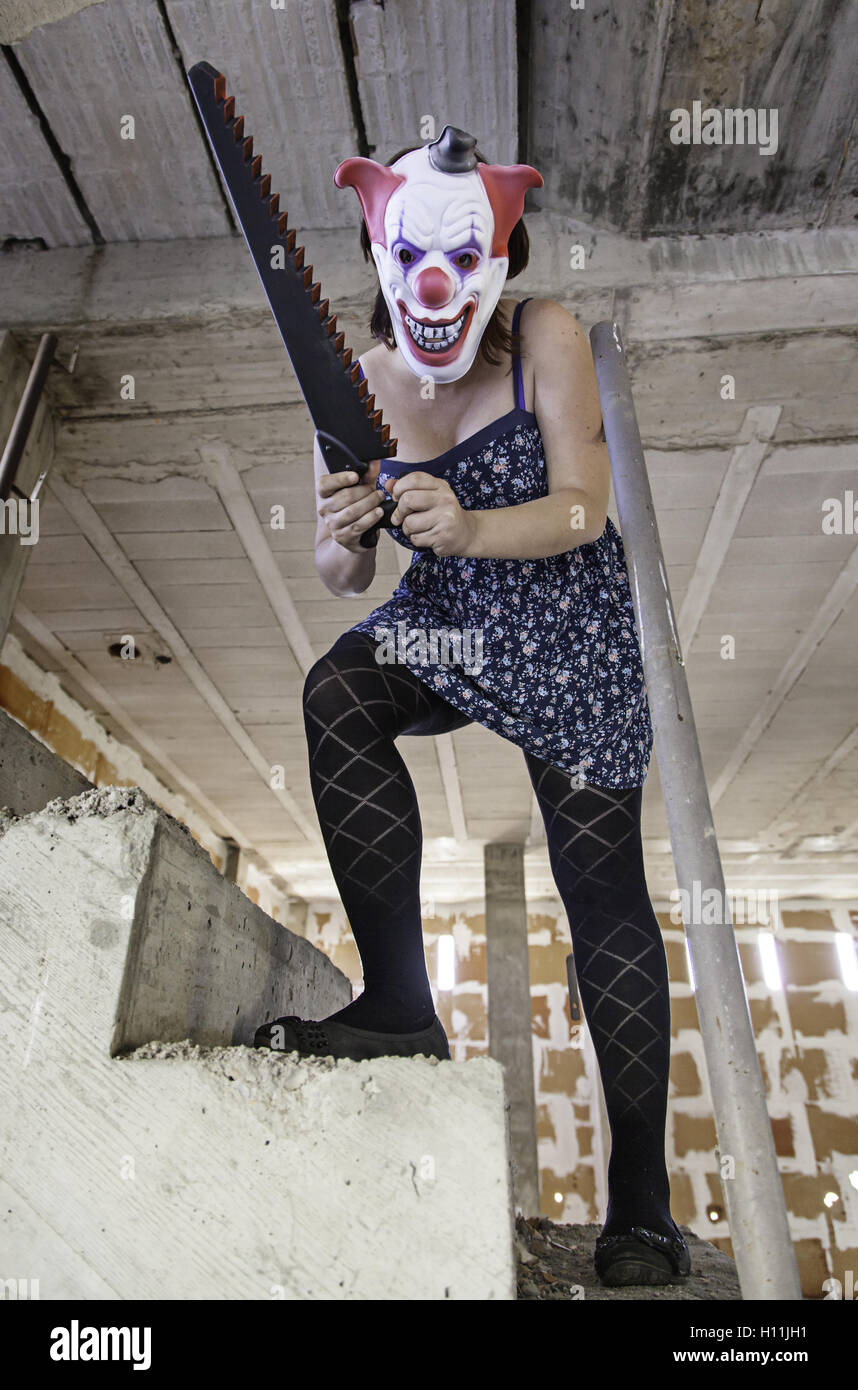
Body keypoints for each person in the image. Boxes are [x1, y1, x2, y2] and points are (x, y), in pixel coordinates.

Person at [254, 127, 690, 1286]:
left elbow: (588, 506)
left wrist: (478, 525)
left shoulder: (543, 333)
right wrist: (342, 537)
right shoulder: (359, 381)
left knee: (599, 887)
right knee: (337, 688)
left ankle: (641, 1196)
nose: (436, 281)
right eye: (413, 255)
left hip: (566, 630)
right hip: (452, 625)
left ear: (497, 247)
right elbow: (342, 578)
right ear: (382, 252)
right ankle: (401, 998)